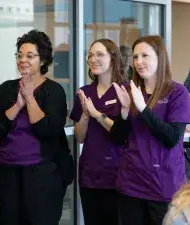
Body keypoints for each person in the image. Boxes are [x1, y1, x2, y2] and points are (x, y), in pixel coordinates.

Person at [0, 29, 72, 225]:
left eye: (30, 56)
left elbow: (47, 130)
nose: (23, 60)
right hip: (7, 172)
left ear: (42, 61)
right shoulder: (6, 88)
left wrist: (30, 98)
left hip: (43, 174)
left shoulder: (54, 90)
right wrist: (17, 105)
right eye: (20, 55)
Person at [112, 35, 190, 225]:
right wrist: (124, 111)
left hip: (163, 186)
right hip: (131, 184)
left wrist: (143, 109)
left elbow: (172, 137)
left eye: (145, 56)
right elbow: (117, 138)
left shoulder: (177, 92)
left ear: (160, 57)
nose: (139, 62)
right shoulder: (129, 89)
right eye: (135, 56)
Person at [69, 39, 127, 225]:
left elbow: (123, 134)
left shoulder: (125, 91)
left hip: (118, 173)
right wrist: (86, 115)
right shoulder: (84, 93)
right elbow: (79, 137)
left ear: (113, 58)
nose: (93, 59)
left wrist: (96, 113)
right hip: (90, 174)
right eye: (90, 55)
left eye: (99, 54)